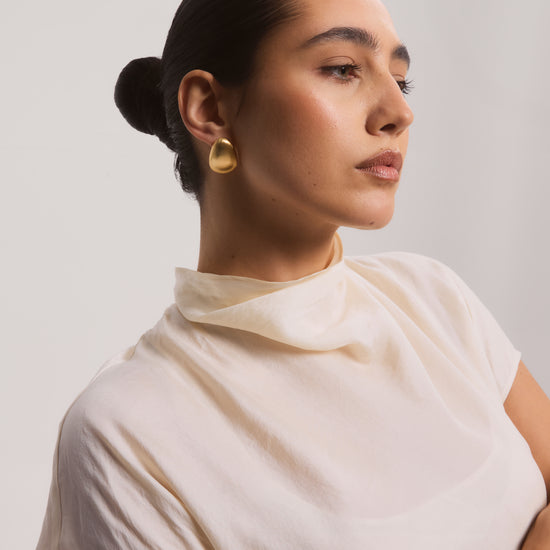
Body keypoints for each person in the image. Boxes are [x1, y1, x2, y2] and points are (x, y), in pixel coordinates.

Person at [36, 0, 550, 548]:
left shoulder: (433, 300)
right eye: (343, 69)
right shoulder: (126, 431)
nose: (399, 111)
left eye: (401, 80)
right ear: (210, 108)